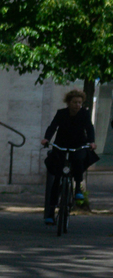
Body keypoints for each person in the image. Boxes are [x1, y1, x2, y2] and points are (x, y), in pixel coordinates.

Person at [42, 89, 96, 228]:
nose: (77, 105)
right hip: (61, 145)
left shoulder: (84, 114)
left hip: (78, 144)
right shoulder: (61, 113)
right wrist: (47, 138)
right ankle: (51, 212)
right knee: (57, 178)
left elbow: (89, 128)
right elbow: (53, 127)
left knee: (78, 160)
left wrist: (91, 142)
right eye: (75, 102)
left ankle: (78, 189)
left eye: (80, 102)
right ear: (68, 103)